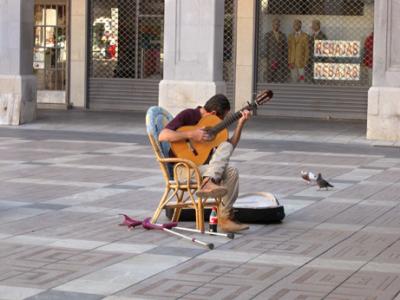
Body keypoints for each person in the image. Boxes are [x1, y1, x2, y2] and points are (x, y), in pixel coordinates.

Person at [158, 94, 251, 233]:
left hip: (203, 169)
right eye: (222, 119)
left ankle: (224, 218)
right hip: (183, 169)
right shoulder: (189, 115)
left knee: (231, 168)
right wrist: (191, 134)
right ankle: (209, 181)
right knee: (225, 155)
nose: (221, 123)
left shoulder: (215, 128)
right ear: (213, 113)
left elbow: (229, 146)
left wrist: (240, 124)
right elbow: (162, 135)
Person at [264, 18, 288, 83]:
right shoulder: (268, 35)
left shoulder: (283, 35)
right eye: (275, 24)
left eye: (278, 24)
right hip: (271, 60)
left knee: (279, 78)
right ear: (272, 24)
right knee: (270, 78)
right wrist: (266, 60)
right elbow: (265, 48)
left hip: (281, 60)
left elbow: (285, 49)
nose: (276, 25)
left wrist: (285, 60)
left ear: (279, 25)